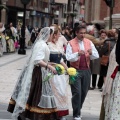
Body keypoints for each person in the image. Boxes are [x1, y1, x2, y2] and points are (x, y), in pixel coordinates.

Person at [7, 27, 59, 120]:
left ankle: (24, 114)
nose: (52, 37)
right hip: (37, 72)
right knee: (35, 94)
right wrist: (49, 66)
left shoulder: (41, 44)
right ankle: (31, 115)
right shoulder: (42, 45)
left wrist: (49, 63)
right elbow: (38, 60)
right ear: (48, 35)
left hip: (37, 71)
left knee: (31, 94)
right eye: (51, 35)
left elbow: (39, 59)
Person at [66, 25, 99, 120]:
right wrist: (77, 54)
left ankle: (78, 109)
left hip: (86, 70)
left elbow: (96, 55)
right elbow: (68, 57)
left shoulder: (89, 42)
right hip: (74, 70)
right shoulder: (71, 43)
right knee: (77, 93)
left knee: (84, 92)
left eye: (84, 33)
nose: (83, 35)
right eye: (81, 33)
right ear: (76, 33)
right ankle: (77, 114)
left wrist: (91, 53)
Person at [47, 25, 69, 120]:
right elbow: (42, 59)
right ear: (53, 35)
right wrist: (50, 65)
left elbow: (60, 60)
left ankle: (60, 113)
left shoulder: (56, 45)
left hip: (59, 73)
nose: (60, 37)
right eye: (58, 35)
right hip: (50, 71)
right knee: (53, 92)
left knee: (61, 91)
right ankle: (52, 113)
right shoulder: (46, 45)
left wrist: (67, 69)